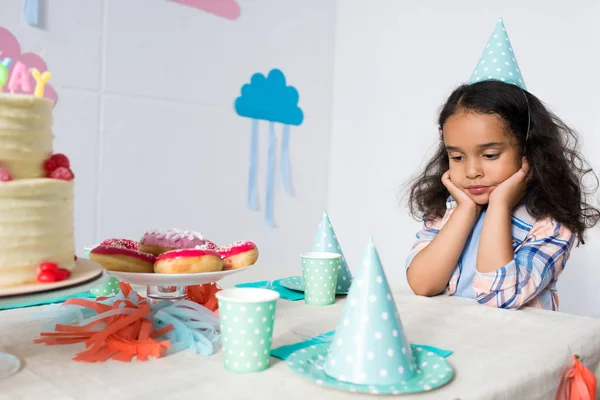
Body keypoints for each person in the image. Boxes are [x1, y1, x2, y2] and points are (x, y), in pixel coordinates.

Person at [404, 19, 599, 310]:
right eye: (457, 157)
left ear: (528, 149)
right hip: (457, 341)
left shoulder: (550, 224)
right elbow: (422, 285)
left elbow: (500, 298)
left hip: (517, 348)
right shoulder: (449, 209)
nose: (471, 171)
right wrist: (466, 211)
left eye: (490, 155)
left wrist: (499, 206)